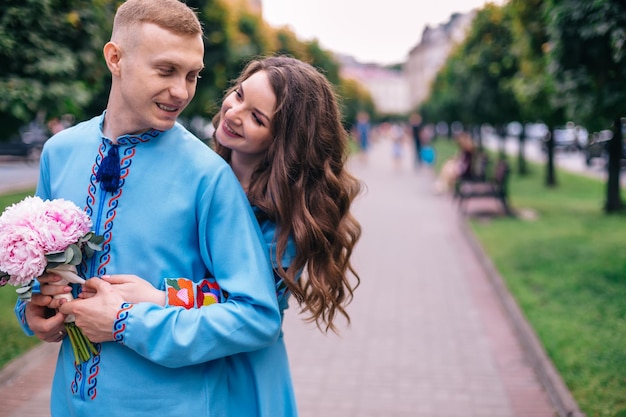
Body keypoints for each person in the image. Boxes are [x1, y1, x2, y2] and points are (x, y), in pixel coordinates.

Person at [15, 1, 282, 416]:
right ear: (115, 58)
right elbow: (42, 276)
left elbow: (257, 316)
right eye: (166, 70)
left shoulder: (208, 176)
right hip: (69, 403)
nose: (182, 91)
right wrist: (33, 311)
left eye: (192, 75)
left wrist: (125, 323)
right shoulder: (58, 153)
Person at [76, 56, 364, 416]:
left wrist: (162, 296)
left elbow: (251, 303)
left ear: (286, 141)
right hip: (179, 358)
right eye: (239, 95)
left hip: (240, 369)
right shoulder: (201, 170)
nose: (233, 113)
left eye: (257, 118)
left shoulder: (285, 216)